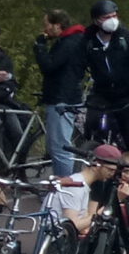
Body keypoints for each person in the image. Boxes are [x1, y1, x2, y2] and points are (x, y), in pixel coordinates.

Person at [81, 0, 129, 158]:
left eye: (114, 16)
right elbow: (76, 67)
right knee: (91, 127)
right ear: (96, 20)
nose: (112, 20)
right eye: (106, 17)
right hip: (103, 93)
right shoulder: (87, 41)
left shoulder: (126, 38)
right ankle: (93, 160)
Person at [32, 11, 88, 174]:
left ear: (57, 25)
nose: (45, 29)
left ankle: (66, 187)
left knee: (60, 147)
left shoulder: (69, 43)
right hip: (64, 95)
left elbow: (49, 65)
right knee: (56, 145)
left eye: (47, 25)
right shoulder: (74, 40)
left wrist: (40, 47)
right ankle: (61, 181)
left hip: (61, 98)